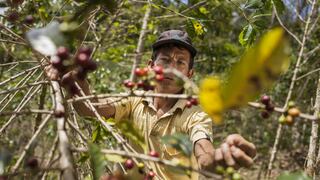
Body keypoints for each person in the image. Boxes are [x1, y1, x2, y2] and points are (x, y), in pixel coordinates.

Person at [45, 30, 256, 179]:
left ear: (189, 74)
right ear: (150, 66)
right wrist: (79, 80)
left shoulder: (194, 113)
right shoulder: (135, 98)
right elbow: (90, 108)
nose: (170, 69)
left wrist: (216, 160)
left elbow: (204, 153)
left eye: (180, 62)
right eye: (164, 60)